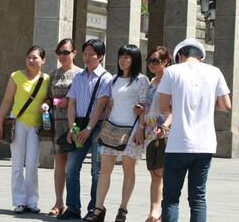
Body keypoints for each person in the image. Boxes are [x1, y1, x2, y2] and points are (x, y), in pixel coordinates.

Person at [158, 39, 231, 222]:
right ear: (201, 57)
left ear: (180, 56)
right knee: (198, 198)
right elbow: (226, 105)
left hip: (178, 144)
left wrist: (181, 104)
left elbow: (163, 106)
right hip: (205, 144)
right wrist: (204, 104)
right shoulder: (215, 72)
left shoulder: (172, 71)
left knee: (171, 198)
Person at [91, 44, 149, 222]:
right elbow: (109, 105)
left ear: (134, 59)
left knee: (128, 170)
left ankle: (123, 209)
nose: (122, 60)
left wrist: (141, 129)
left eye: (127, 57)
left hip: (131, 130)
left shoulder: (141, 80)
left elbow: (144, 107)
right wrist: (103, 128)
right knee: (104, 170)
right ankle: (98, 209)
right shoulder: (114, 79)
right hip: (112, 127)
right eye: (120, 57)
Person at [57, 39, 113, 220]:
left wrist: (89, 129)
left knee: (97, 170)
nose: (87, 58)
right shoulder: (79, 76)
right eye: (85, 54)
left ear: (101, 56)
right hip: (79, 124)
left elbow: (101, 105)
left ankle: (94, 209)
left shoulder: (105, 77)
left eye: (92, 54)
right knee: (71, 168)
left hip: (96, 126)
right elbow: (71, 102)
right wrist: (73, 128)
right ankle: (73, 207)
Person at [0, 45, 49, 214]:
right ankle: (19, 201)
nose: (31, 61)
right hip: (18, 123)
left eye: (35, 58)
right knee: (17, 164)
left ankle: (32, 201)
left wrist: (46, 104)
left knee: (32, 164)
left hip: (36, 126)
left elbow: (49, 99)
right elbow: (6, 101)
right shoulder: (16, 76)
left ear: (43, 60)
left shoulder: (46, 79)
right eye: (28, 57)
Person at [46, 39, 83, 217]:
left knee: (72, 165)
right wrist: (46, 105)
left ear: (74, 53)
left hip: (73, 123)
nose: (62, 56)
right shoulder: (53, 74)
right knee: (59, 163)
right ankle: (58, 202)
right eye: (59, 52)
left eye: (66, 52)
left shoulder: (81, 74)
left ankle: (72, 204)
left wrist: (67, 101)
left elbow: (82, 99)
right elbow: (48, 96)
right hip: (56, 121)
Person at [138, 46, 173, 222]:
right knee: (154, 172)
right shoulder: (152, 82)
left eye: (156, 61)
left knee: (161, 172)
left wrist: (165, 127)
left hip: (163, 131)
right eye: (149, 61)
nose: (151, 64)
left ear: (166, 61)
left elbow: (173, 109)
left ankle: (160, 212)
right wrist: (140, 127)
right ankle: (154, 210)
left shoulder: (171, 81)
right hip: (150, 130)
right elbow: (146, 107)